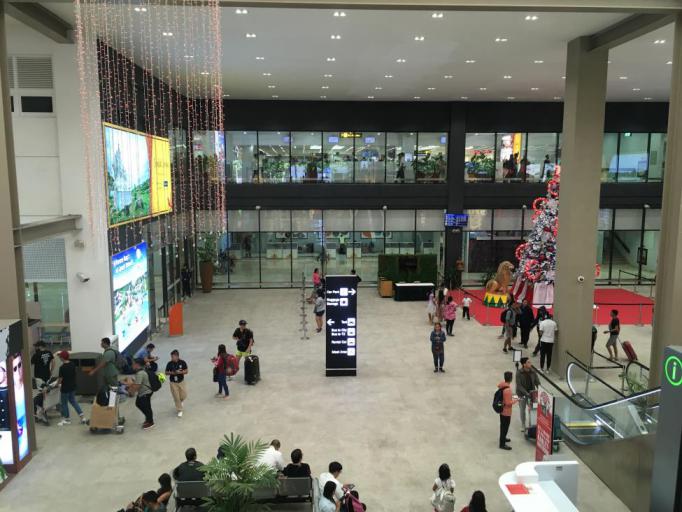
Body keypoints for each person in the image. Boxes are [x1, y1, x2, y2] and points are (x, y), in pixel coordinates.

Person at [56, 351, 86, 426]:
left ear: (62, 358)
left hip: (65, 388)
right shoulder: (73, 364)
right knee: (73, 401)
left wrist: (56, 384)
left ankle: (67, 419)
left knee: (64, 403)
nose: (59, 358)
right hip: (73, 387)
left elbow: (60, 379)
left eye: (60, 356)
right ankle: (82, 417)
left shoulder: (62, 368)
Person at [125, 358, 155, 430]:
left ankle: (150, 422)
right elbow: (137, 383)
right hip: (144, 392)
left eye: (133, 363)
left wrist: (130, 391)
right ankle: (148, 419)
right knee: (140, 404)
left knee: (146, 407)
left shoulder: (140, 373)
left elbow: (137, 386)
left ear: (137, 365)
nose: (132, 365)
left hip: (145, 392)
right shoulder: (140, 371)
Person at [515, 357, 539, 430]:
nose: (530, 363)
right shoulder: (519, 373)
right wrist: (526, 393)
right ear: (524, 364)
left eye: (530, 362)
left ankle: (532, 424)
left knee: (532, 409)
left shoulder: (533, 371)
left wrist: (540, 390)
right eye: (528, 362)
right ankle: (523, 424)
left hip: (531, 393)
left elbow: (537, 382)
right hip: (521, 394)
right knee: (522, 409)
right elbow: (519, 386)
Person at [498, 371, 518, 450]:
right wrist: (516, 400)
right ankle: (502, 444)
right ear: (511, 379)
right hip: (506, 412)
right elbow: (508, 403)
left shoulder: (502, 385)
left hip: (502, 410)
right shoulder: (507, 390)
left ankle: (503, 438)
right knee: (505, 427)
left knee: (503, 426)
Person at [165, 349, 188, 417]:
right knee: (176, 397)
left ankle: (181, 401)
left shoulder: (182, 362)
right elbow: (166, 372)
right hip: (173, 383)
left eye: (173, 357)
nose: (172, 358)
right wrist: (173, 373)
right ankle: (179, 410)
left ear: (177, 356)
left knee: (184, 395)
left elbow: (186, 371)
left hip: (181, 381)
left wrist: (180, 372)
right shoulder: (169, 363)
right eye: (171, 357)